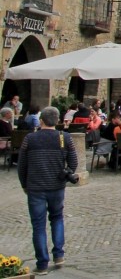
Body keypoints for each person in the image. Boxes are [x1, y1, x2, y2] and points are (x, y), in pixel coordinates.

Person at [18, 106, 76, 275]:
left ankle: (42, 263)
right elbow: (73, 162)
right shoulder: (64, 138)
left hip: (35, 187)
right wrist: (66, 173)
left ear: (41, 120)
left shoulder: (30, 138)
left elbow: (22, 165)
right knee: (57, 218)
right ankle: (58, 255)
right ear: (57, 121)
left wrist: (24, 184)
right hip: (57, 186)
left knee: (38, 225)